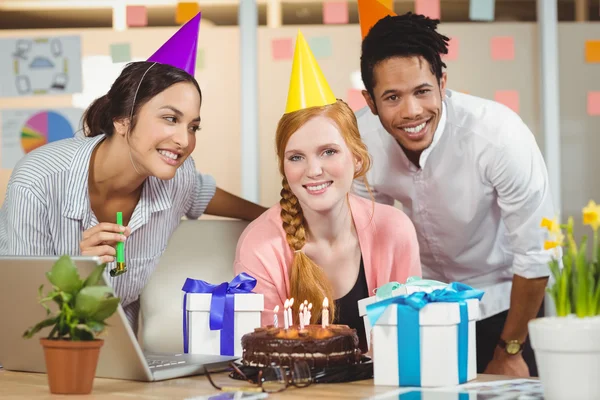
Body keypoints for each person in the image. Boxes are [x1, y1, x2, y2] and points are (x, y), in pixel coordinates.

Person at [0, 13, 266, 333]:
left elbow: (207, 195)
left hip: (120, 366)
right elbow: (22, 311)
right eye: (170, 118)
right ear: (123, 120)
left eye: (193, 126)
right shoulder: (38, 180)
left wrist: (284, 218)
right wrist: (76, 274)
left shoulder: (178, 180)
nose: (185, 140)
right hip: (33, 364)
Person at [353, 6, 555, 377]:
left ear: (442, 84)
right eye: (392, 97)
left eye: (422, 91)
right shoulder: (359, 141)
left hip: (506, 303)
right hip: (422, 309)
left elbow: (536, 254)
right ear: (370, 101)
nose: (412, 112)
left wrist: (510, 349)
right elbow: (368, 241)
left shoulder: (498, 135)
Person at [233, 31, 421, 353]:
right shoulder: (260, 243)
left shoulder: (395, 229)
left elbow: (410, 341)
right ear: (284, 167)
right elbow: (262, 354)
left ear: (357, 158)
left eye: (329, 152)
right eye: (296, 157)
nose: (313, 170)